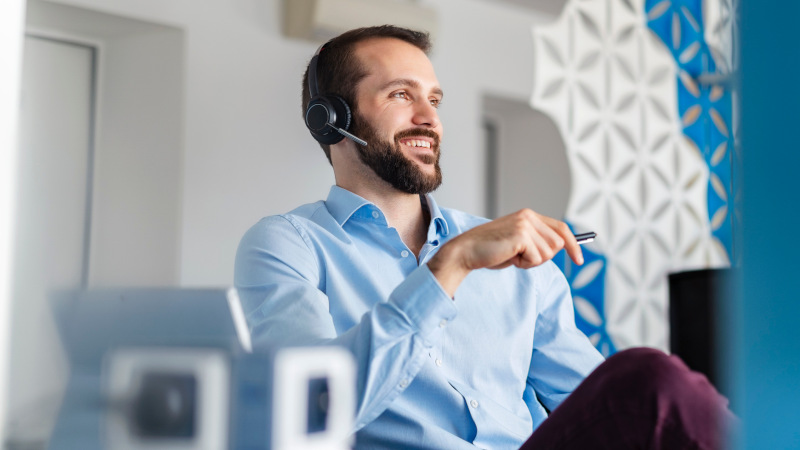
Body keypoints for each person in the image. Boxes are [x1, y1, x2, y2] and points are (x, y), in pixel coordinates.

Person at [235, 25, 732, 449]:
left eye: (434, 100)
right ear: (331, 120)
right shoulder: (288, 244)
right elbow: (308, 412)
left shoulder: (516, 258)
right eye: (401, 95)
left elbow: (598, 402)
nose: (429, 119)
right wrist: (449, 267)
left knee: (649, 382)